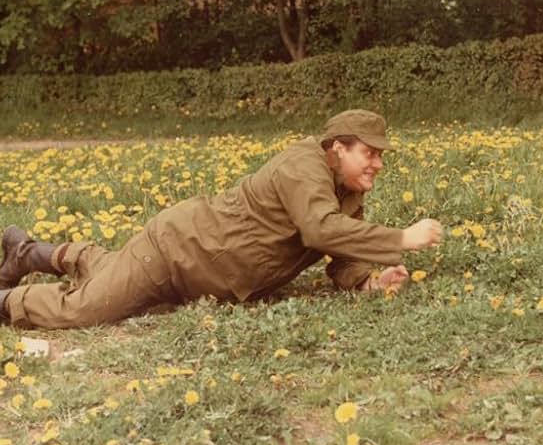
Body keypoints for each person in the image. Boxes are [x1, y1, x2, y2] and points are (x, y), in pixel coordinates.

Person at [0, 109, 443, 328]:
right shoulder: (303, 166)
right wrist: (401, 238)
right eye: (370, 153)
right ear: (339, 147)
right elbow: (318, 229)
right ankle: (6, 301)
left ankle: (28, 252)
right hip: (176, 252)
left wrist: (368, 281)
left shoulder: (345, 192)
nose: (378, 164)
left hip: (198, 274)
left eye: (381, 155)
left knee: (111, 268)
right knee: (88, 310)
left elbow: (339, 248)